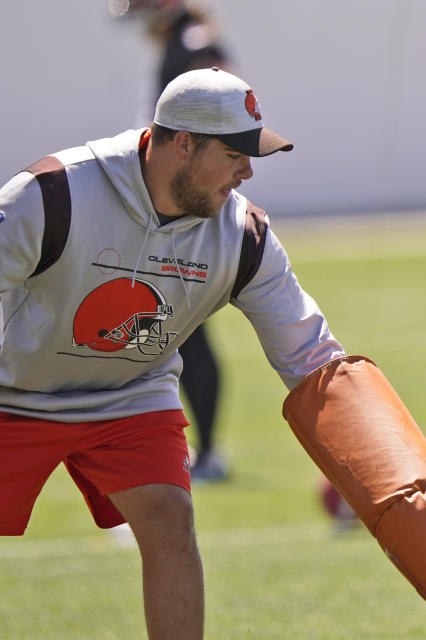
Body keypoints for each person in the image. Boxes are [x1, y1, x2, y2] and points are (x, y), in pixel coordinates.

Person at [0, 68, 340, 640]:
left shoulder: (243, 234)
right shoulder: (51, 193)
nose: (248, 171)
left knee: (170, 517)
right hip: (12, 393)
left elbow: (310, 355)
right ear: (183, 144)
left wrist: (383, 460)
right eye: (235, 153)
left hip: (132, 396)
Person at [113, 0, 234, 482]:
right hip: (173, 207)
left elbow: (228, 116)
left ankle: (205, 452)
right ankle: (196, 450)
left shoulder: (196, 44)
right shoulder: (180, 41)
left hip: (187, 210)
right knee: (173, 327)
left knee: (181, 327)